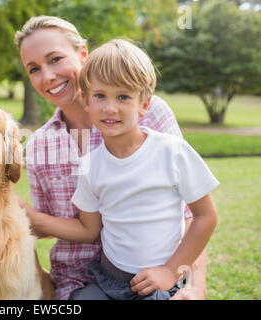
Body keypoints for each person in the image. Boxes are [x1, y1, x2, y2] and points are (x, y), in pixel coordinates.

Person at [15, 15, 210, 300]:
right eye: (34, 69)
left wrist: (195, 285)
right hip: (79, 281)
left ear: (83, 53)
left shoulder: (149, 114)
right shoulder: (39, 145)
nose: (47, 77)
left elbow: (191, 214)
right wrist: (18, 214)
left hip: (152, 276)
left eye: (55, 59)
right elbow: (47, 225)